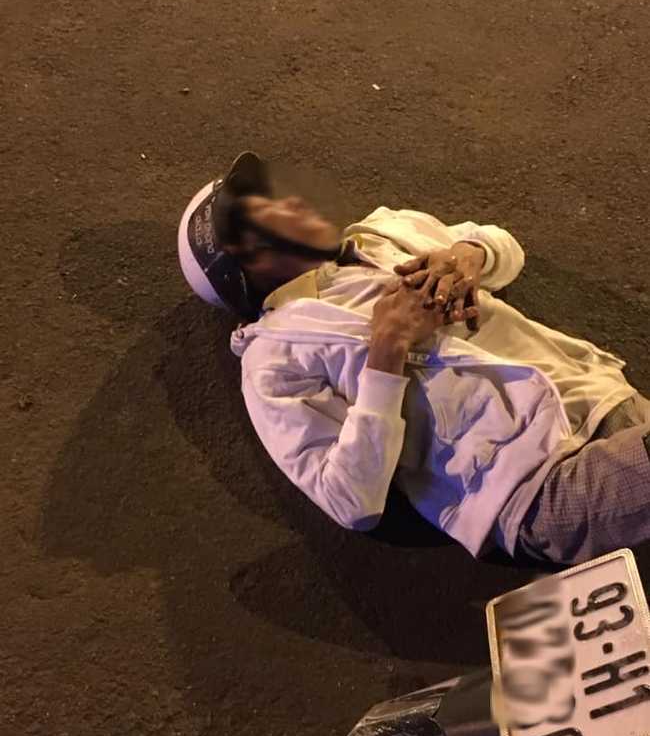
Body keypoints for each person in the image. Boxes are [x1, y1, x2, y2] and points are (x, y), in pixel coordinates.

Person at [177, 152, 650, 566]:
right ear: (245, 267)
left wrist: (470, 255)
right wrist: (387, 350)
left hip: (600, 398)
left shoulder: (384, 232)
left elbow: (506, 249)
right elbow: (348, 500)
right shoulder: (273, 360)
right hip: (532, 487)